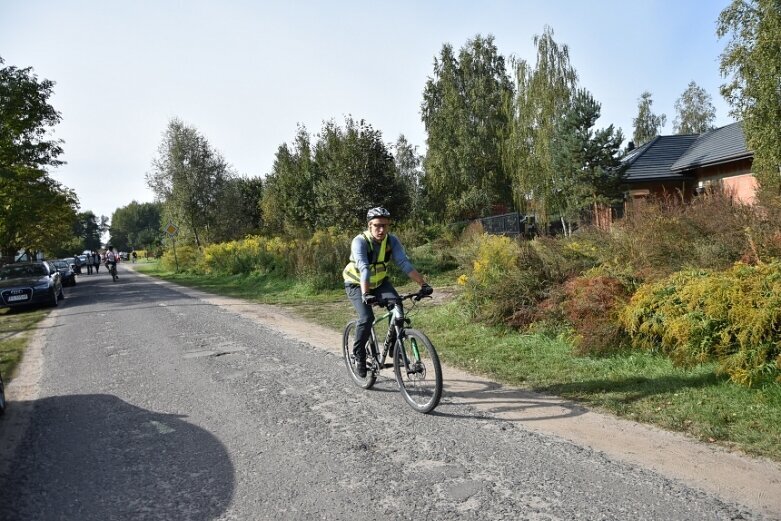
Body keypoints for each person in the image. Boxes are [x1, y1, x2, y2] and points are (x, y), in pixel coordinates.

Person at [342, 207, 432, 378]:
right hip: (356, 284)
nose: (381, 229)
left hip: (381, 282)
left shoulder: (391, 241)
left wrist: (423, 284)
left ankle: (394, 345)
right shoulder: (359, 242)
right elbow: (363, 268)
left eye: (385, 225)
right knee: (367, 318)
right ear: (369, 226)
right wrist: (366, 294)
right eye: (377, 225)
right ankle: (359, 355)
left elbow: (404, 263)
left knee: (397, 306)